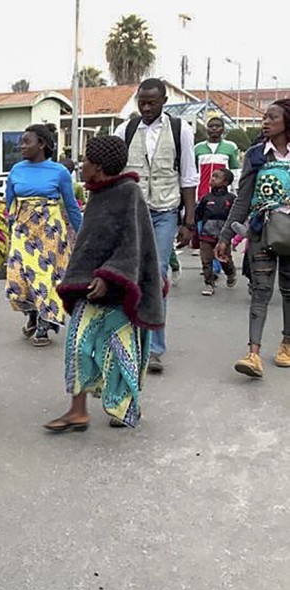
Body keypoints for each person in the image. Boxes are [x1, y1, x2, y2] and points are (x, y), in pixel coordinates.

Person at [44, 136, 164, 432]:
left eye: (84, 161)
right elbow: (92, 242)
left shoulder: (129, 193)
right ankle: (78, 411)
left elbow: (133, 242)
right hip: (89, 288)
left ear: (97, 167)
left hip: (119, 289)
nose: (80, 166)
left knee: (122, 350)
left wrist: (107, 274)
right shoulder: (97, 194)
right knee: (78, 345)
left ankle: (124, 406)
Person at [114, 77, 198, 374]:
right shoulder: (125, 130)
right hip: (133, 213)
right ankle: (131, 337)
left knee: (157, 273)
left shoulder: (180, 130)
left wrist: (189, 221)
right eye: (142, 102)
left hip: (165, 212)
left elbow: (188, 177)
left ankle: (155, 347)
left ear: (164, 101)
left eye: (152, 102)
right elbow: (115, 173)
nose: (147, 107)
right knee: (130, 275)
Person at [215, 100, 290, 378]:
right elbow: (243, 199)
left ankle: (287, 344)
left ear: (286, 122)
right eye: (264, 118)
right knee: (260, 291)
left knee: (289, 291)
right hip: (261, 231)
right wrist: (226, 236)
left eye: (272, 117)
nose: (266, 122)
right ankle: (253, 354)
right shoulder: (256, 155)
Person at [4, 123, 83, 347]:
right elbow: (8, 205)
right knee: (18, 279)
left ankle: (43, 326)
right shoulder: (16, 170)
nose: (21, 146)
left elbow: (71, 206)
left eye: (26, 141)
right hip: (22, 229)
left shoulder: (59, 172)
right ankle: (32, 314)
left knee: (45, 278)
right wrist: (6, 231)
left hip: (50, 231)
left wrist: (84, 235)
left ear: (42, 144)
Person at [195, 168, 237, 296]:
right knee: (206, 261)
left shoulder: (231, 198)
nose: (212, 179)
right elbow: (198, 215)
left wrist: (233, 235)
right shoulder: (206, 198)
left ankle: (230, 273)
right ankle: (209, 284)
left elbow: (236, 217)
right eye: (212, 176)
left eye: (216, 177)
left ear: (225, 182)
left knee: (225, 259)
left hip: (223, 237)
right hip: (207, 235)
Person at [194, 115, 242, 201]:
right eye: (211, 126)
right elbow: (193, 172)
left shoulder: (231, 147)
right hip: (201, 195)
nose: (214, 128)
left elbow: (235, 171)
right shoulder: (197, 148)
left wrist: (235, 192)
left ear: (223, 129)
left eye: (218, 126)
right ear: (207, 129)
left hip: (224, 198)